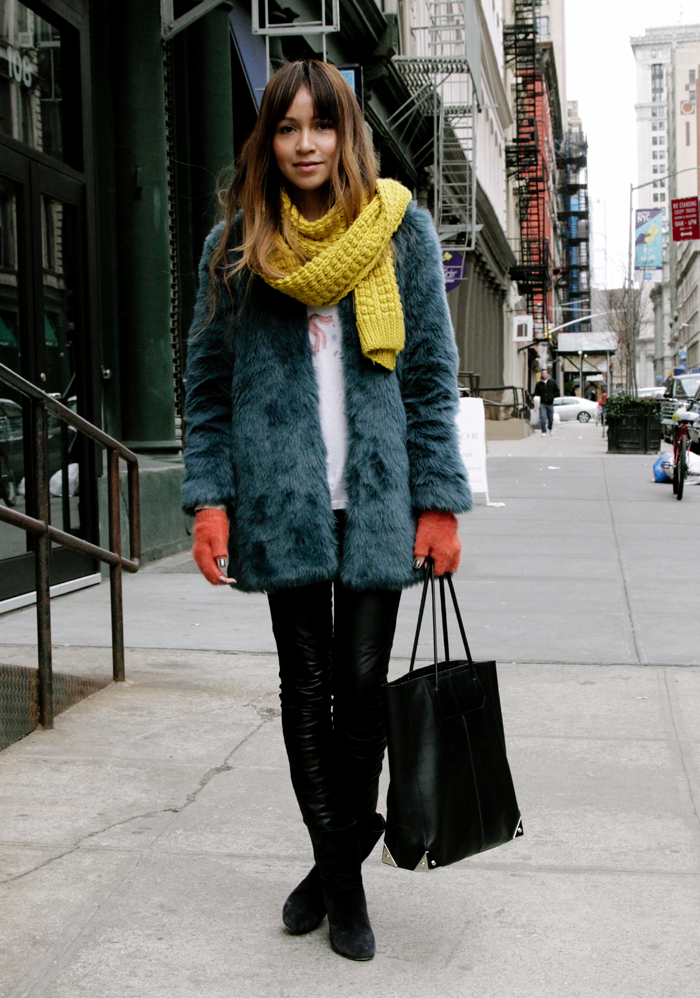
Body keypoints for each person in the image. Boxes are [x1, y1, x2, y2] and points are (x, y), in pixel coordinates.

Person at [181, 60, 471, 962]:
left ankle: (329, 865)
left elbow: (430, 379)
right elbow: (207, 387)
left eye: (321, 125)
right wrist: (209, 500)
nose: (305, 144)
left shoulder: (400, 229)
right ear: (266, 140)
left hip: (379, 497)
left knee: (362, 689)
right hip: (284, 503)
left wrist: (440, 504)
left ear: (347, 134)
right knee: (304, 688)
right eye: (286, 127)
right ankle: (345, 887)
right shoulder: (236, 245)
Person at [534, 368, 559, 435]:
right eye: (542, 373)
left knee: (551, 418)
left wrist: (552, 396)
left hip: (550, 403)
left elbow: (557, 391)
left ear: (547, 374)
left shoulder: (552, 382)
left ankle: (550, 428)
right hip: (542, 403)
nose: (544, 374)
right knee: (543, 417)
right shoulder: (539, 384)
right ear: (541, 374)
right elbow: (536, 393)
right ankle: (543, 431)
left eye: (545, 373)